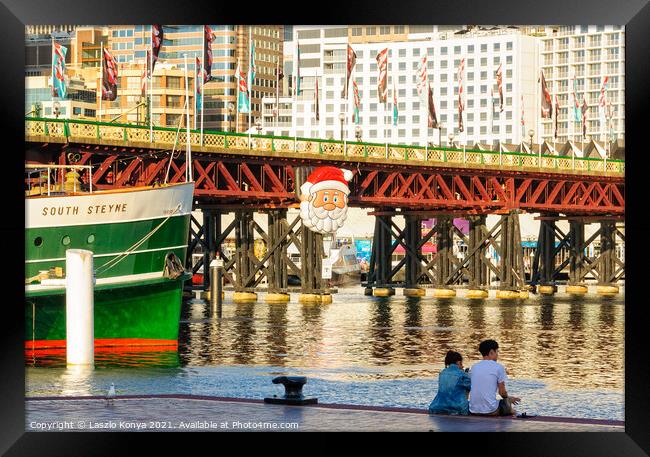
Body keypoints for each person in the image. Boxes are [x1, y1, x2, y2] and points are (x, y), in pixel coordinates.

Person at [469, 339, 521, 416]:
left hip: (473, 410)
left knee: (505, 402)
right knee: (511, 410)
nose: (497, 355)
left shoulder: (473, 367)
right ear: (491, 352)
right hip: (491, 411)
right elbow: (502, 392)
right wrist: (508, 400)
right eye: (497, 352)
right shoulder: (498, 367)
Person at [428, 350, 471, 415]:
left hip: (437, 407)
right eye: (461, 364)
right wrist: (466, 375)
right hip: (457, 409)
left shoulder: (442, 373)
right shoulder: (462, 374)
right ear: (458, 362)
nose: (462, 366)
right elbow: (471, 387)